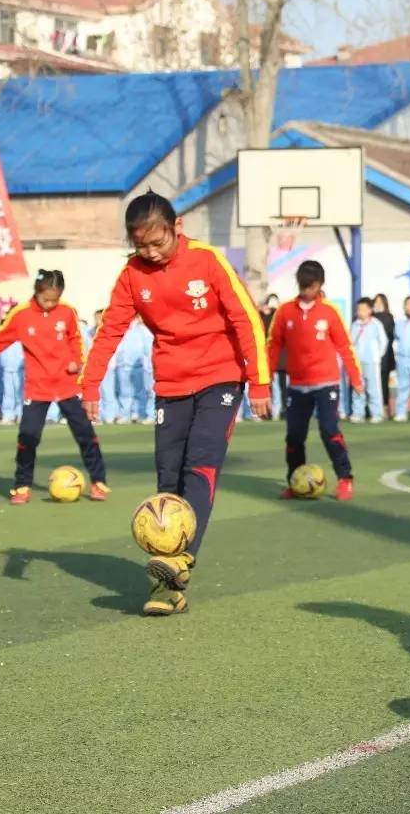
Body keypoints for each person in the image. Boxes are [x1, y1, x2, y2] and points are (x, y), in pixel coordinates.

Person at [82, 191, 270, 615]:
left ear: (177, 228)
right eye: (140, 246)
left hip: (221, 375)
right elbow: (111, 329)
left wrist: (258, 380)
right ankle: (169, 588)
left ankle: (180, 561)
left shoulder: (207, 260)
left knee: (199, 464)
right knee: (168, 480)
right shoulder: (132, 275)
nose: (149, 253)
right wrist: (90, 383)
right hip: (171, 381)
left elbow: (245, 317)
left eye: (158, 243)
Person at [0, 270, 109, 504]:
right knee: (28, 436)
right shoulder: (20, 315)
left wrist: (77, 361)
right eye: (46, 299)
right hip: (37, 388)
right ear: (36, 292)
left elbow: (76, 340)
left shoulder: (67, 311)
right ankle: (22, 485)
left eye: (55, 299)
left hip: (67, 385)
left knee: (85, 434)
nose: (50, 304)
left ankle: (99, 482)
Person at [268, 260, 363, 500]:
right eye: (302, 286)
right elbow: (273, 345)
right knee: (294, 436)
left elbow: (345, 345)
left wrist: (355, 377)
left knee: (329, 429)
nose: (306, 291)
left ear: (320, 284)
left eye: (310, 286)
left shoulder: (330, 312)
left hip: (326, 383)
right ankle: (295, 480)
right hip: (297, 385)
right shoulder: (285, 311)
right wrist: (264, 377)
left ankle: (345, 478)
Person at [350, 296, 387, 423]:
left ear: (370, 310)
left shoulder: (376, 324)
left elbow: (383, 341)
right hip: (357, 363)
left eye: (363, 309)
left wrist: (377, 356)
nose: (360, 312)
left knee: (373, 388)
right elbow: (350, 343)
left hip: (372, 361)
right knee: (358, 388)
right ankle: (358, 413)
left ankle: (376, 413)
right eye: (358, 309)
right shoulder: (354, 325)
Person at [372, 292, 397, 418]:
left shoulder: (388, 317)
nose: (377, 304)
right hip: (371, 356)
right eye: (375, 302)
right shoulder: (370, 317)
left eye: (380, 302)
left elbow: (389, 335)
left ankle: (385, 407)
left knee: (383, 382)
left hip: (385, 356)